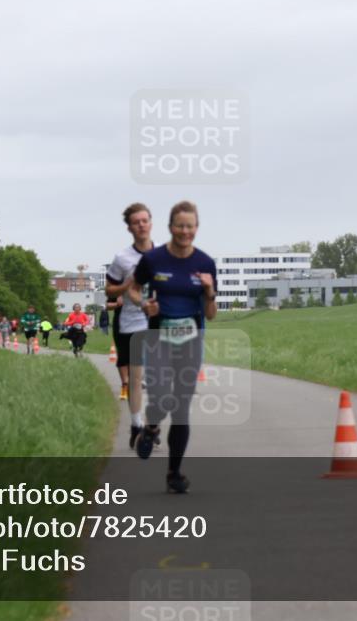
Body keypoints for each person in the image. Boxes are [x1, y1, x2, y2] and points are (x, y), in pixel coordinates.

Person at [129, 201, 217, 494]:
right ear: (170, 228)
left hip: (191, 342)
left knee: (181, 408)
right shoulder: (154, 260)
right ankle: (152, 427)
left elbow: (211, 313)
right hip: (158, 340)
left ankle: (174, 473)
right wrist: (144, 305)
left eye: (190, 226)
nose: (185, 231)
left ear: (196, 228)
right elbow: (133, 288)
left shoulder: (205, 263)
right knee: (163, 397)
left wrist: (209, 292)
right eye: (180, 226)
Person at [105, 203, 156, 447]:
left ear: (151, 223)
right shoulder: (122, 258)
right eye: (136, 222)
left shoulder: (164, 255)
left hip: (158, 322)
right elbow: (109, 289)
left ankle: (151, 424)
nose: (141, 225)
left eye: (145, 220)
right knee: (136, 379)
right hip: (131, 322)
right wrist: (126, 286)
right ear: (129, 227)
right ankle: (137, 423)